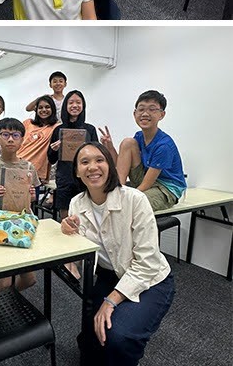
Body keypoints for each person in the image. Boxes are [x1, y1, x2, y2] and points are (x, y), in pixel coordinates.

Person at [62, 143, 174, 365]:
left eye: (99, 160)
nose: (92, 167)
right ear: (77, 171)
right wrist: (68, 231)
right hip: (110, 273)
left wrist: (111, 300)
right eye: (84, 162)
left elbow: (148, 262)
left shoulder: (134, 199)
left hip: (150, 279)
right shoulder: (77, 203)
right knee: (90, 335)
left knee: (119, 336)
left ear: (110, 165)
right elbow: (83, 250)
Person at [0, 117, 40, 293]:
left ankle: (7, 300)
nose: (10, 139)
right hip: (0, 227)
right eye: (5, 134)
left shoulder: (28, 167)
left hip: (22, 225)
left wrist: (32, 196)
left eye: (15, 135)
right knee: (5, 282)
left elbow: (30, 200)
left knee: (30, 279)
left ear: (22, 140)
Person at [102, 90, 186, 211]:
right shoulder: (138, 137)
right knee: (127, 142)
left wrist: (127, 198)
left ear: (162, 115)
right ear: (134, 113)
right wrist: (110, 146)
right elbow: (120, 165)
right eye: (141, 109)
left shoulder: (164, 145)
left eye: (152, 109)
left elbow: (147, 183)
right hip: (146, 179)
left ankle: (119, 198)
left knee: (130, 205)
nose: (145, 114)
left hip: (165, 188)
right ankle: (117, 189)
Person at [47, 89, 98, 277]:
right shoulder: (58, 130)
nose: (74, 105)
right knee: (66, 219)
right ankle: (70, 262)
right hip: (65, 179)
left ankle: (82, 258)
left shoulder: (90, 129)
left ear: (83, 106)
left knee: (85, 220)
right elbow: (51, 158)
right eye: (71, 103)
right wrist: (54, 149)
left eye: (78, 102)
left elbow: (97, 155)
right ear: (66, 107)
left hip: (85, 181)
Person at [17, 95, 60, 183]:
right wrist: (41, 97)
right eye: (40, 107)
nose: (44, 110)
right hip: (16, 167)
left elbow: (51, 152)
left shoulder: (56, 127)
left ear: (53, 109)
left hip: (35, 173)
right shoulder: (27, 123)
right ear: (36, 110)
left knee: (31, 197)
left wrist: (47, 176)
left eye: (47, 107)